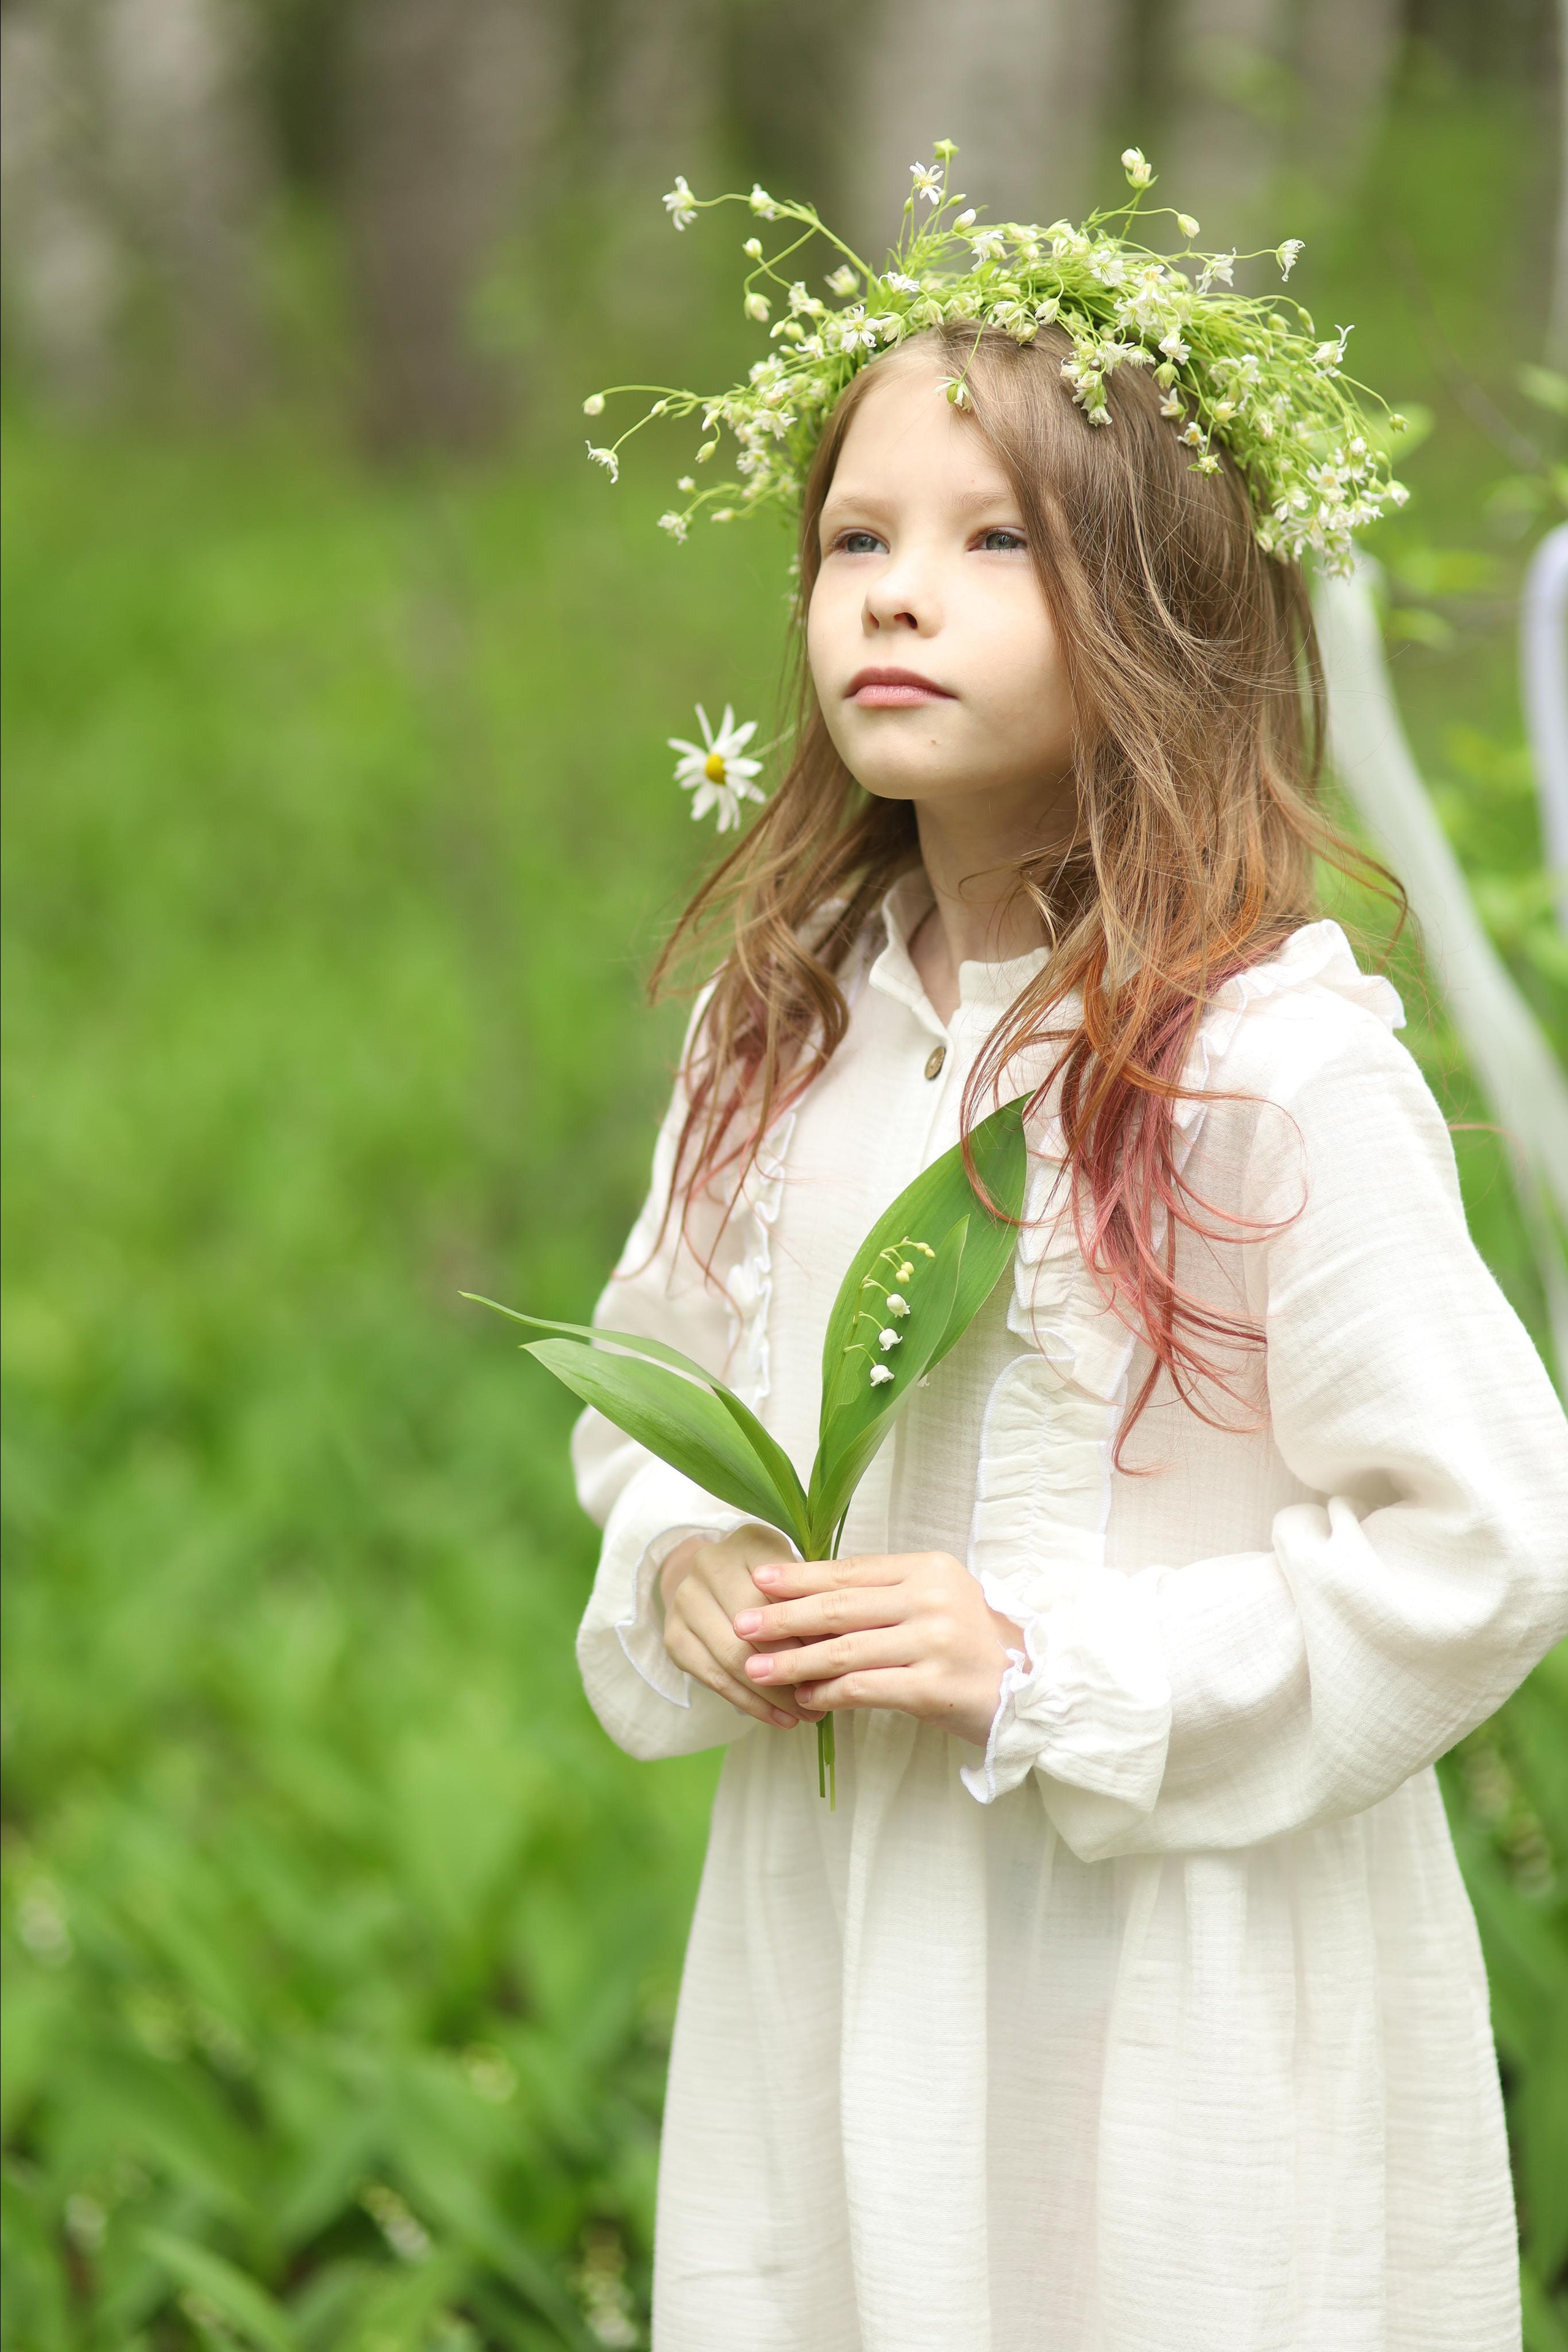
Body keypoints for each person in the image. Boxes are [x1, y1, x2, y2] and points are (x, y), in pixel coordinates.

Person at [568, 154, 1568, 2351]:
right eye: (856, 540)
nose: (893, 598)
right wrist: (692, 1558)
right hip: (852, 1925)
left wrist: (1057, 1663)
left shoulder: (1268, 1062)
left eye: (992, 538)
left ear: (1164, 606)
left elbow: (1488, 1536)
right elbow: (653, 1395)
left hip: (1181, 1957)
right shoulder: (791, 1030)